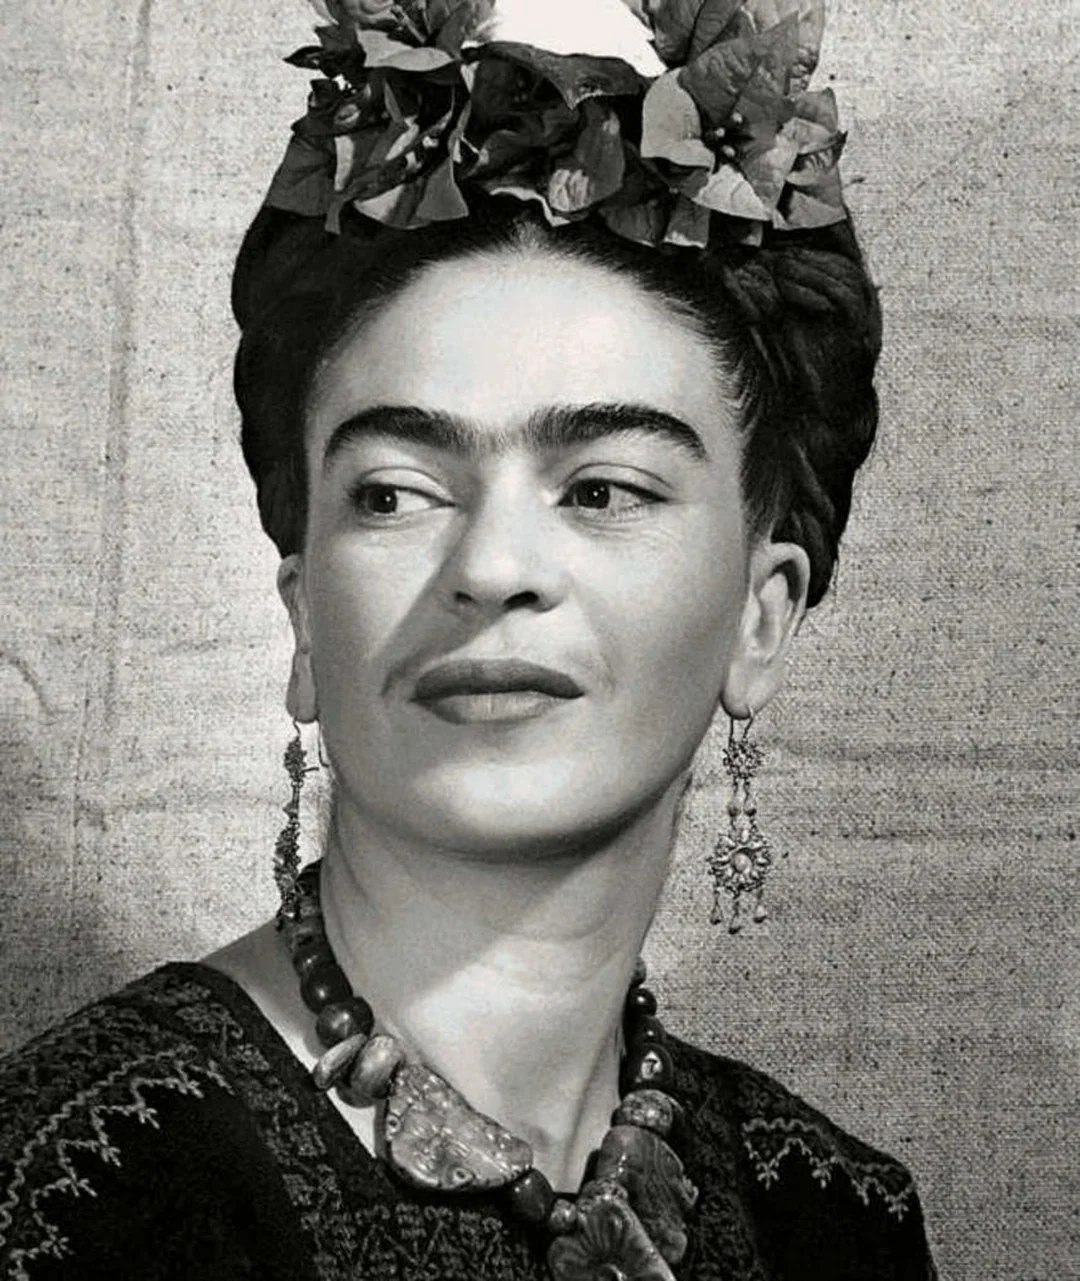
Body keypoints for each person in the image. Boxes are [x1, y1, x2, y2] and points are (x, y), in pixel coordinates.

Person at [0, 1, 938, 1276]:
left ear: (760, 618)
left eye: (602, 490)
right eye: (395, 493)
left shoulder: (835, 1219)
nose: (491, 569)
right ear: (302, 616)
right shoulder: (80, 1183)